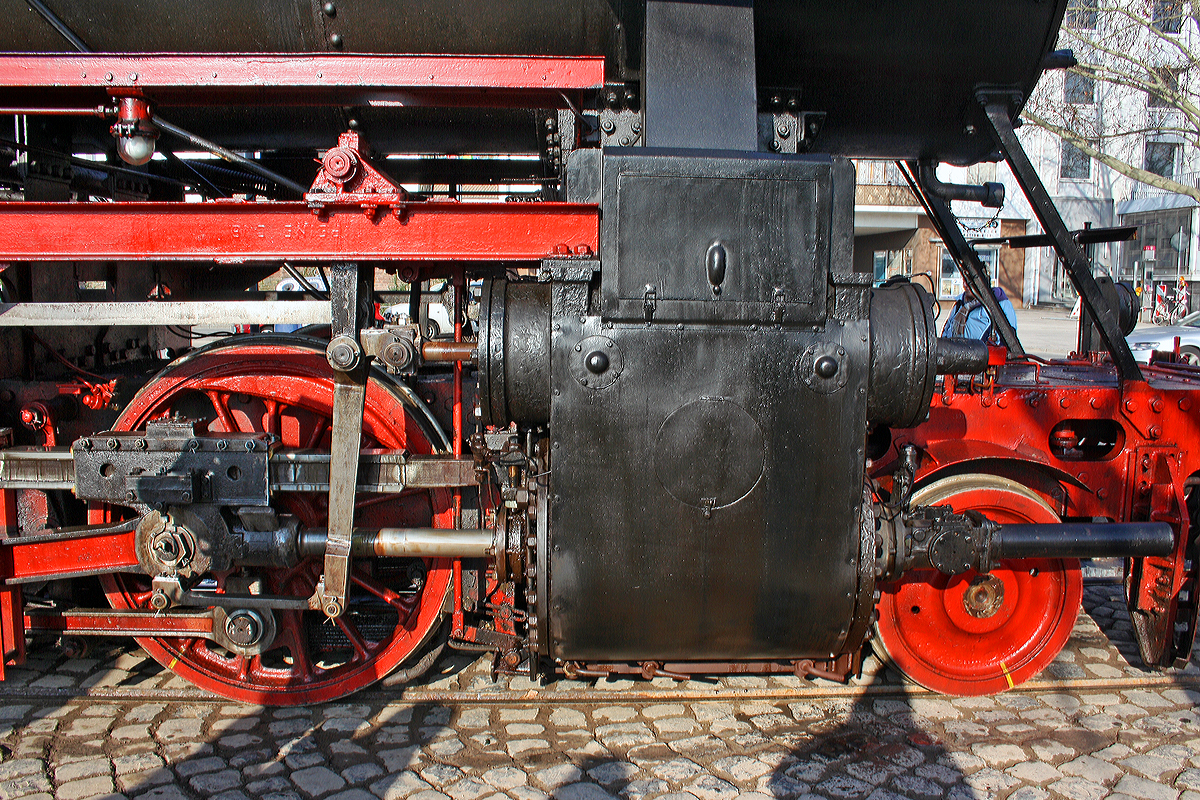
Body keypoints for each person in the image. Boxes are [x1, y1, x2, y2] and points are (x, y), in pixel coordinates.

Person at [940, 282, 1017, 344]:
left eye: (969, 281)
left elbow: (1009, 340)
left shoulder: (1000, 304)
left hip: (981, 357)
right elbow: (946, 330)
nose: (965, 285)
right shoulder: (959, 304)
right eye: (964, 280)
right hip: (955, 354)